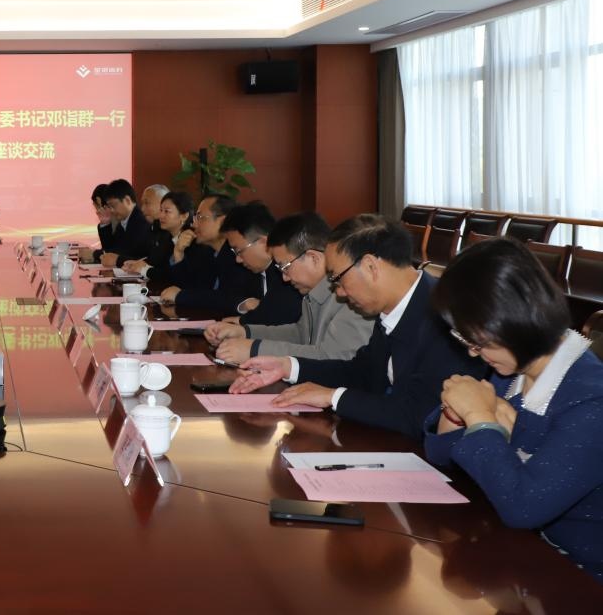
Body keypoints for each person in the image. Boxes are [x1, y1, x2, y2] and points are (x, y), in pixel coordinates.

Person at [424, 238, 603, 582]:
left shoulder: (592, 401)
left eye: (478, 341)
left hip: (582, 578)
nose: (473, 353)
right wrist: (458, 413)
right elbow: (442, 454)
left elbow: (523, 506)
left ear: (515, 319)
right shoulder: (514, 371)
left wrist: (480, 419)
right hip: (526, 557)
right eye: (465, 340)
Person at [231, 213, 485, 438]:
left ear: (371, 267)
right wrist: (288, 366)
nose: (339, 292)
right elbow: (363, 372)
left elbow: (417, 416)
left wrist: (332, 396)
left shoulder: (446, 318)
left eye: (338, 278)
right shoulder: (394, 306)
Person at [205, 212, 374, 364]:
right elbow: (300, 334)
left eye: (285, 267)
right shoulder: (314, 292)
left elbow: (331, 357)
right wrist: (246, 333)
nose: (284, 278)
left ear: (313, 258)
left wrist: (254, 350)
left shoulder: (350, 297)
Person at [159, 194, 257, 316]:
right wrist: (178, 253)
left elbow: (227, 298)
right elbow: (188, 287)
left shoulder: (238, 255)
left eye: (200, 217)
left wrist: (181, 296)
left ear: (222, 221)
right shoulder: (207, 252)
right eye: (195, 217)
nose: (194, 224)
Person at [221, 202, 302, 326]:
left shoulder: (288, 271)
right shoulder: (251, 271)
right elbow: (226, 297)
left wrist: (243, 322)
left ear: (264, 242)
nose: (238, 259)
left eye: (239, 251)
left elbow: (280, 317)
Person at [124, 190, 194, 277]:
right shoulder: (166, 237)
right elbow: (157, 263)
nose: (161, 216)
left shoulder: (191, 240)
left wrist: (144, 270)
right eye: (161, 210)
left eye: (167, 211)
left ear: (184, 216)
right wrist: (138, 264)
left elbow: (172, 275)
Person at [99, 178, 151, 266]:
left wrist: (94, 254)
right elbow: (111, 248)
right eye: (109, 206)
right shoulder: (123, 222)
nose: (111, 210)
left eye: (113, 205)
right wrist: (105, 223)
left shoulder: (141, 221)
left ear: (127, 200)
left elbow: (124, 253)